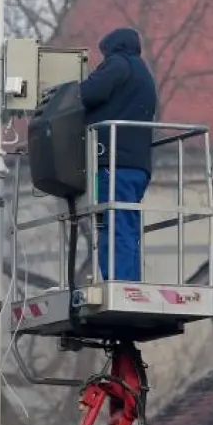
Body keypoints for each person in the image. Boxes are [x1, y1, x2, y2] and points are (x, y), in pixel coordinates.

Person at [78, 27, 157, 282]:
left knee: (112, 223)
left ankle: (119, 282)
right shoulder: (144, 73)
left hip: (113, 161)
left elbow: (89, 93)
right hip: (137, 165)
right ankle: (128, 279)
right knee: (127, 223)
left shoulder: (118, 64)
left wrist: (66, 92)